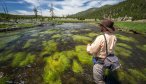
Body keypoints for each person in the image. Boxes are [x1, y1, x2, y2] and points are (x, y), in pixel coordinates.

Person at [86, 19, 117, 84]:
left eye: (101, 26)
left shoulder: (101, 38)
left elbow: (92, 51)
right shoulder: (114, 37)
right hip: (108, 60)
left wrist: (88, 47)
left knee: (98, 81)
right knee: (102, 73)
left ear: (104, 28)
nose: (100, 27)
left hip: (100, 62)